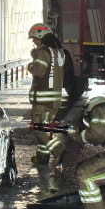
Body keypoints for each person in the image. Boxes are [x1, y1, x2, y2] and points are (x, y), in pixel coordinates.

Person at [27, 23, 67, 166]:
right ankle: (42, 158)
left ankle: (59, 149)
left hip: (43, 100)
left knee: (37, 128)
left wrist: (31, 64)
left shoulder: (43, 52)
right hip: (54, 100)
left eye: (34, 39)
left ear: (40, 37)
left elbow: (39, 71)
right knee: (45, 129)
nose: (33, 42)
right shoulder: (58, 52)